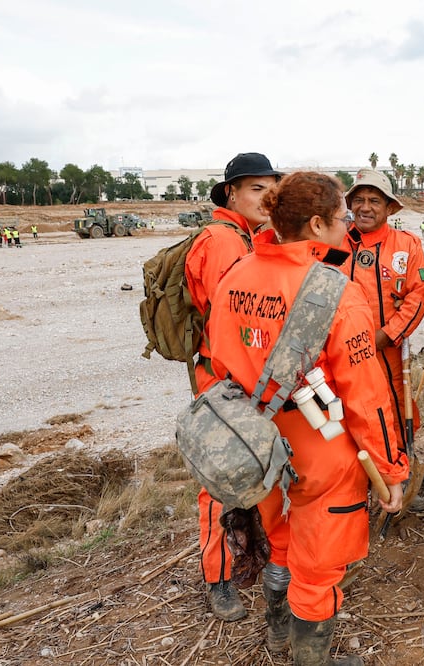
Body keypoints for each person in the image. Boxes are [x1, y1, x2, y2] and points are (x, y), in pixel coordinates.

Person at [206, 171, 406, 666]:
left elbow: (219, 364)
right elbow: (368, 397)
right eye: (342, 218)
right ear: (317, 224)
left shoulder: (238, 274)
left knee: (279, 543)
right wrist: (393, 470)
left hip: (255, 445)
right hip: (321, 449)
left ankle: (278, 638)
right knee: (317, 567)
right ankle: (309, 659)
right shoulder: (336, 291)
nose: (348, 227)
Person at [188, 152, 283, 621]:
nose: (267, 198)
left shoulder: (247, 236)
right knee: (220, 483)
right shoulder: (224, 243)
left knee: (249, 475)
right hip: (224, 381)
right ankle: (218, 579)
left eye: (272, 189)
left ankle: (249, 556)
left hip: (240, 379)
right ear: (231, 193)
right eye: (256, 189)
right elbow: (233, 323)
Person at [340, 169, 424, 455]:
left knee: (396, 410)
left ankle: (400, 471)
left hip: (387, 349)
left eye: (374, 201)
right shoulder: (335, 243)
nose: (365, 207)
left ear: (389, 207)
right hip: (341, 351)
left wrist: (386, 335)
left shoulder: (407, 244)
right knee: (348, 411)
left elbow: (418, 294)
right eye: (359, 200)